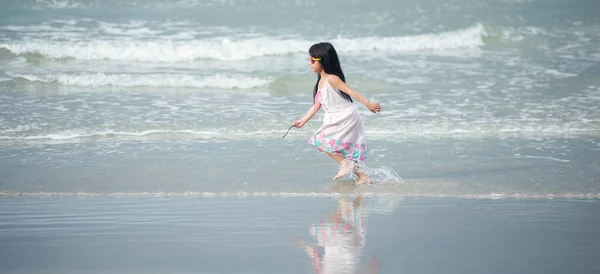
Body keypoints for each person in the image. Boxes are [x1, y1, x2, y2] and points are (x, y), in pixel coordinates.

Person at [292, 42, 381, 185]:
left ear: (323, 60)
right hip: (334, 117)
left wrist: (368, 104)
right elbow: (317, 104)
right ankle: (363, 176)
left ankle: (346, 165)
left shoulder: (332, 78)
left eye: (312, 60)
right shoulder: (321, 81)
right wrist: (303, 120)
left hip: (345, 116)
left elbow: (350, 91)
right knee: (327, 145)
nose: (310, 63)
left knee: (321, 142)